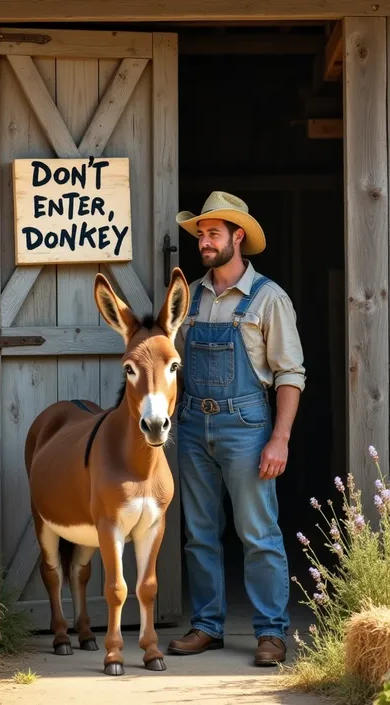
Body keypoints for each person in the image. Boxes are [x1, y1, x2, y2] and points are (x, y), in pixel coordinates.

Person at [168, 191, 305, 666]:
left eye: (212, 234)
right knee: (200, 533)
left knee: (257, 533)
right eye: (200, 234)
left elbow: (290, 374)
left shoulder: (268, 298)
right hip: (191, 423)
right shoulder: (192, 295)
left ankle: (270, 631)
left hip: (246, 425)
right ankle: (207, 625)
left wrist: (279, 438)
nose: (204, 242)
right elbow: (175, 364)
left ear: (237, 236)